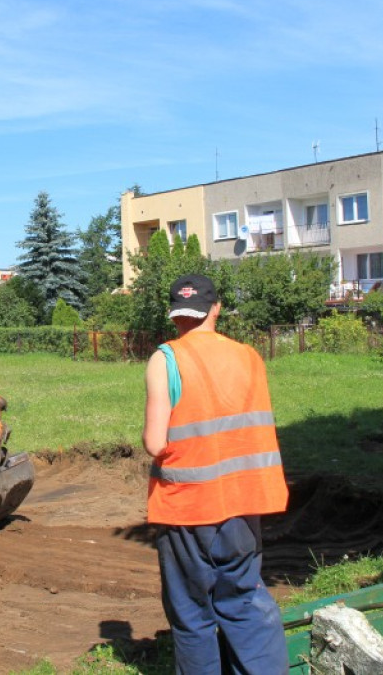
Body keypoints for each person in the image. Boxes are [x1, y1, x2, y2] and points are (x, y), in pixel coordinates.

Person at [142, 274, 289, 674]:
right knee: (244, 600)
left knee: (192, 614)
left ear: (175, 314)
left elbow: (156, 443)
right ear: (216, 309)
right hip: (243, 503)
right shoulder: (249, 356)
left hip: (187, 506)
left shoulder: (166, 358)